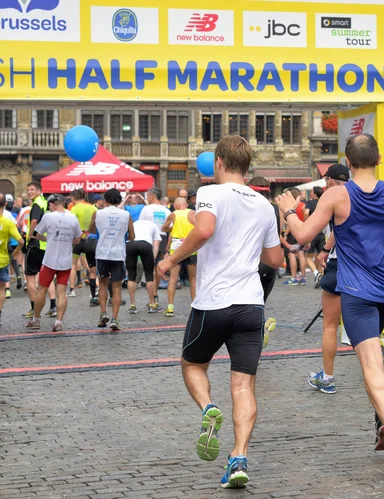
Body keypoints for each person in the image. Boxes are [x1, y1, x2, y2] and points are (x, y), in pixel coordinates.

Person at [275, 134, 384, 479]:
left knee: (370, 364)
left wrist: (289, 210)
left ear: (348, 163)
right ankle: (381, 425)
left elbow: (304, 236)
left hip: (357, 293)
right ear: (379, 159)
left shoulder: (337, 194)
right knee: (373, 359)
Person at [157, 135, 283, 489]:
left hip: (213, 302)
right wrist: (245, 244)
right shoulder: (263, 204)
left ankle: (208, 408)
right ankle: (239, 456)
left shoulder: (211, 192)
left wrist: (170, 258)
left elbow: (206, 229)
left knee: (193, 364)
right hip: (251, 305)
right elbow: (275, 260)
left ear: (219, 163)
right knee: (243, 385)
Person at [308, 164, 350, 394]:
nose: (325, 185)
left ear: (333, 181)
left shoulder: (333, 196)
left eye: (326, 181)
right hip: (363, 267)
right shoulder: (362, 193)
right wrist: (325, 248)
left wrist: (290, 214)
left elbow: (308, 230)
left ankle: (328, 377)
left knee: (330, 326)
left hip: (338, 265)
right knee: (364, 326)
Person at [26, 195, 81, 332]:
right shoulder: (72, 218)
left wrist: (48, 238)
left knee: (42, 290)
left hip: (50, 260)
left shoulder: (48, 217)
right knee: (61, 292)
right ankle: (58, 322)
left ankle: (36, 319)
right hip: (66, 261)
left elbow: (37, 235)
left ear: (51, 205)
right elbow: (77, 240)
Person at [88, 189, 135, 331]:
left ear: (105, 200)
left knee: (102, 284)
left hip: (102, 253)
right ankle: (115, 319)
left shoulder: (98, 213)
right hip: (118, 254)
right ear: (119, 200)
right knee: (116, 287)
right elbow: (132, 236)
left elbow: (90, 230)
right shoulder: (126, 215)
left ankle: (103, 313)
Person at [246, 176, 283, 348]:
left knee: (245, 305)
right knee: (260, 303)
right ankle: (258, 340)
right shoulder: (274, 209)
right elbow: (278, 235)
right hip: (268, 263)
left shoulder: (243, 207)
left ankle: (250, 344)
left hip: (248, 261)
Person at [23, 182, 57, 319]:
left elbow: (34, 221)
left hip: (35, 245)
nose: (29, 192)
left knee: (30, 276)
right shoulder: (45, 202)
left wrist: (31, 235)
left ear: (39, 191)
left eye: (32, 189)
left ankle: (33, 308)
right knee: (46, 277)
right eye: (28, 190)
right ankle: (53, 306)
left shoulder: (37, 204)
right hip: (45, 245)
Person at [161, 197, 197, 317]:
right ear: (186, 204)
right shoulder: (193, 213)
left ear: (175, 206)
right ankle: (195, 306)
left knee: (173, 278)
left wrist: (173, 227)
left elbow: (164, 228)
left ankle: (170, 308)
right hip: (190, 245)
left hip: (176, 246)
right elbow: (199, 228)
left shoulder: (173, 214)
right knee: (193, 279)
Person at [139, 187, 172, 303]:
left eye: (148, 196)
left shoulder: (146, 209)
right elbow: (171, 227)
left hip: (149, 237)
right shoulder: (166, 211)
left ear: (152, 196)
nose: (147, 198)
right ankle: (155, 292)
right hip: (162, 237)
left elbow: (140, 224)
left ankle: (152, 296)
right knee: (158, 267)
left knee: (150, 267)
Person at [125, 219, 161, 314]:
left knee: (131, 275)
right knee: (149, 276)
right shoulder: (153, 224)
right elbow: (156, 244)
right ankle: (152, 304)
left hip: (130, 244)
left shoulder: (135, 223)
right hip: (145, 244)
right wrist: (152, 259)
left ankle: (132, 305)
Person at [0, 194, 24, 326]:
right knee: (1, 289)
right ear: (5, 205)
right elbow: (20, 240)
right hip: (2, 260)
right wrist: (15, 253)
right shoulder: (8, 222)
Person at [69, 189, 96, 296]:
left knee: (73, 264)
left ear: (73, 198)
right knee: (92, 265)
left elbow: (71, 224)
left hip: (78, 239)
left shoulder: (74, 208)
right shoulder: (92, 207)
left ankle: (71, 289)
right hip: (90, 239)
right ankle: (97, 286)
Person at [303, 186, 326, 287]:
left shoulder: (310, 202)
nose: (311, 193)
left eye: (312, 192)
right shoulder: (323, 203)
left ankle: (316, 274)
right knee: (320, 258)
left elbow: (306, 212)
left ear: (315, 194)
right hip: (322, 233)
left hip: (313, 233)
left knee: (308, 257)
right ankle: (322, 278)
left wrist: (307, 223)